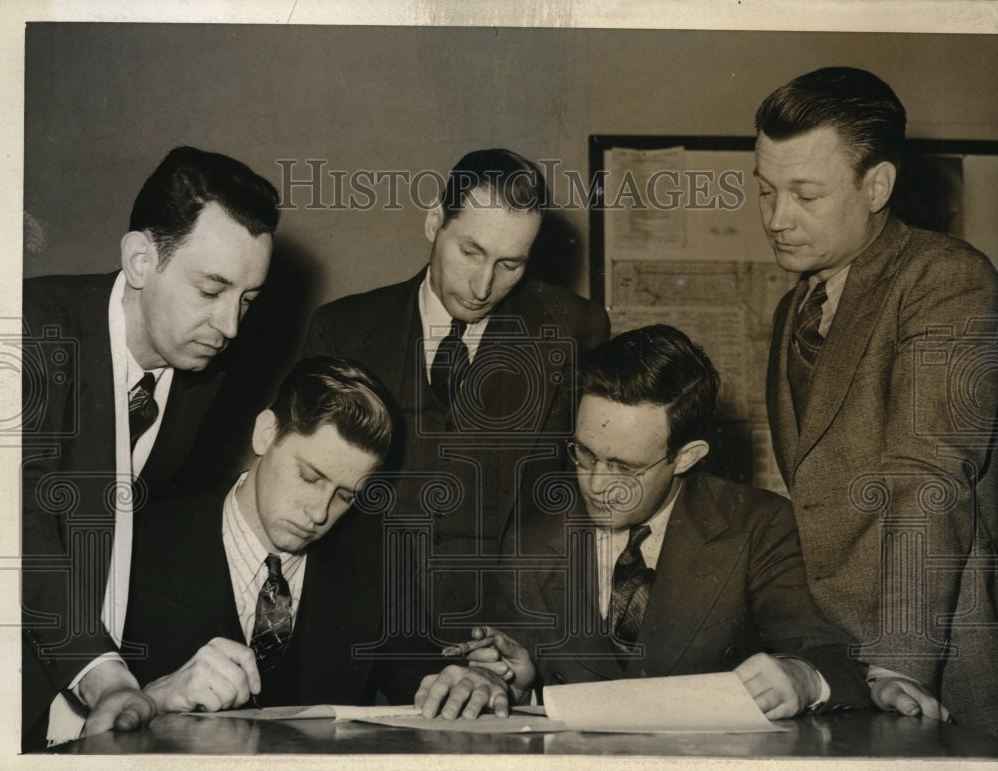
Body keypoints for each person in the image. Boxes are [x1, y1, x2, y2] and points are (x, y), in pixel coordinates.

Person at [415, 325, 874, 720]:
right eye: (584, 454)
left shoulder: (758, 527)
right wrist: (502, 680)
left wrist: (802, 677)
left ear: (686, 457)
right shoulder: (534, 534)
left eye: (624, 468)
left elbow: (836, 659)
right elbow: (512, 663)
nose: (595, 484)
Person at [757, 67, 998, 735]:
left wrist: (900, 663)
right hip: (835, 663)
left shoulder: (947, 277)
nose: (777, 219)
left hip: (934, 665)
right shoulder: (795, 305)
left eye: (805, 195)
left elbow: (930, 478)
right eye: (766, 191)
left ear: (878, 186)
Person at [20, 146, 280, 749]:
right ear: (140, 259)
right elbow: (16, 523)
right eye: (211, 289)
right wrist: (105, 677)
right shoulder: (28, 332)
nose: (231, 326)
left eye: (248, 299)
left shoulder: (202, 367)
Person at [302, 148, 610, 650]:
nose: (484, 285)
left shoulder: (574, 329)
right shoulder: (342, 330)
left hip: (506, 636)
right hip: (365, 635)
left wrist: (524, 634)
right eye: (470, 252)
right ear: (433, 223)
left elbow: (578, 497)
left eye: (510, 264)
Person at [123, 357, 406, 713]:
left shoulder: (375, 559)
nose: (320, 513)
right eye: (310, 477)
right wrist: (152, 701)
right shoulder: (139, 544)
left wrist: (466, 681)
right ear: (265, 433)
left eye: (346, 496)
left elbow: (425, 679)